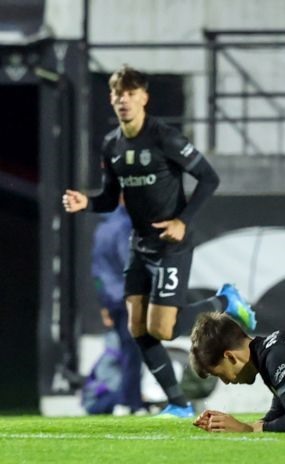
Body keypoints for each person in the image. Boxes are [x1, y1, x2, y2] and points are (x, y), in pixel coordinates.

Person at [62, 65, 255, 418]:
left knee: (163, 330)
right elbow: (109, 197)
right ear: (112, 99)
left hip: (171, 242)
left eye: (131, 94)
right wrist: (86, 202)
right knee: (138, 329)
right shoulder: (111, 144)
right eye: (119, 95)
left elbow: (209, 178)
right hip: (140, 244)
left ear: (144, 98)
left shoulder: (163, 136)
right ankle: (178, 404)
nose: (124, 101)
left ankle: (226, 301)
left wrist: (183, 220)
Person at [90, 200, 144, 415]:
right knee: (134, 352)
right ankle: (130, 402)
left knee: (126, 350)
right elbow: (127, 263)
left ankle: (127, 400)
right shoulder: (124, 226)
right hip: (127, 298)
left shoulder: (102, 227)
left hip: (112, 299)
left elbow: (97, 272)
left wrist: (104, 304)